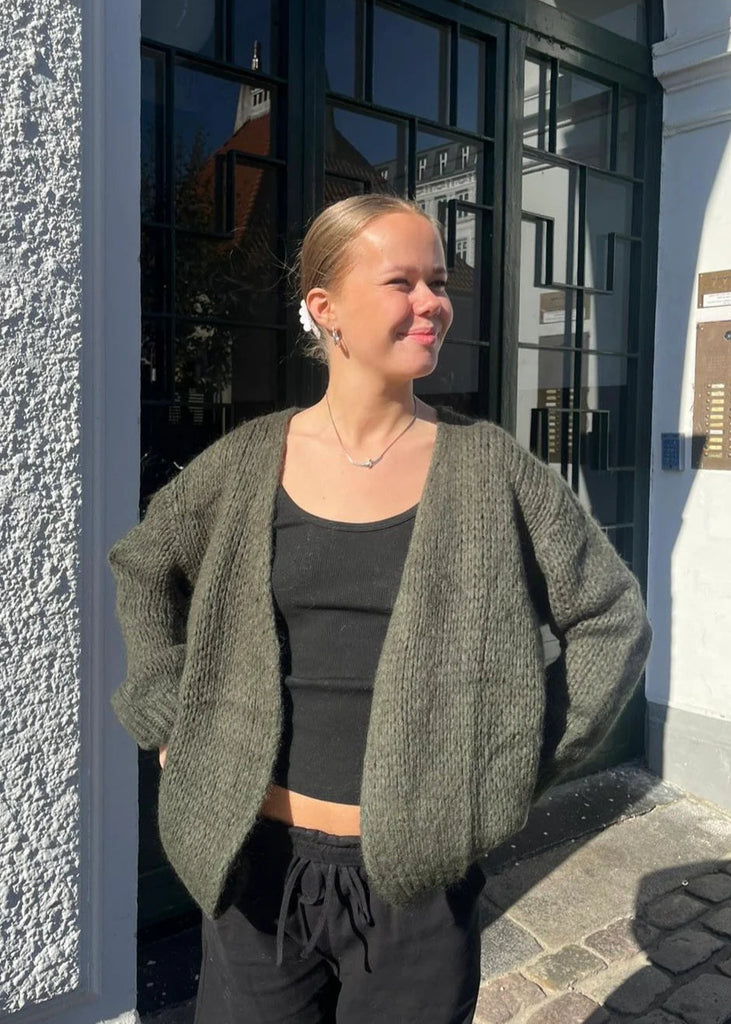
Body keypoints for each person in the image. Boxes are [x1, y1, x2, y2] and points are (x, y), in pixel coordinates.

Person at [109, 194, 652, 1023]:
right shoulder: (246, 462)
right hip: (251, 867)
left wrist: (509, 760)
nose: (433, 302)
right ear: (325, 307)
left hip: (417, 891)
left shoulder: (490, 468)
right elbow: (143, 565)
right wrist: (161, 703)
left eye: (438, 282)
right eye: (402, 282)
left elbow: (610, 617)